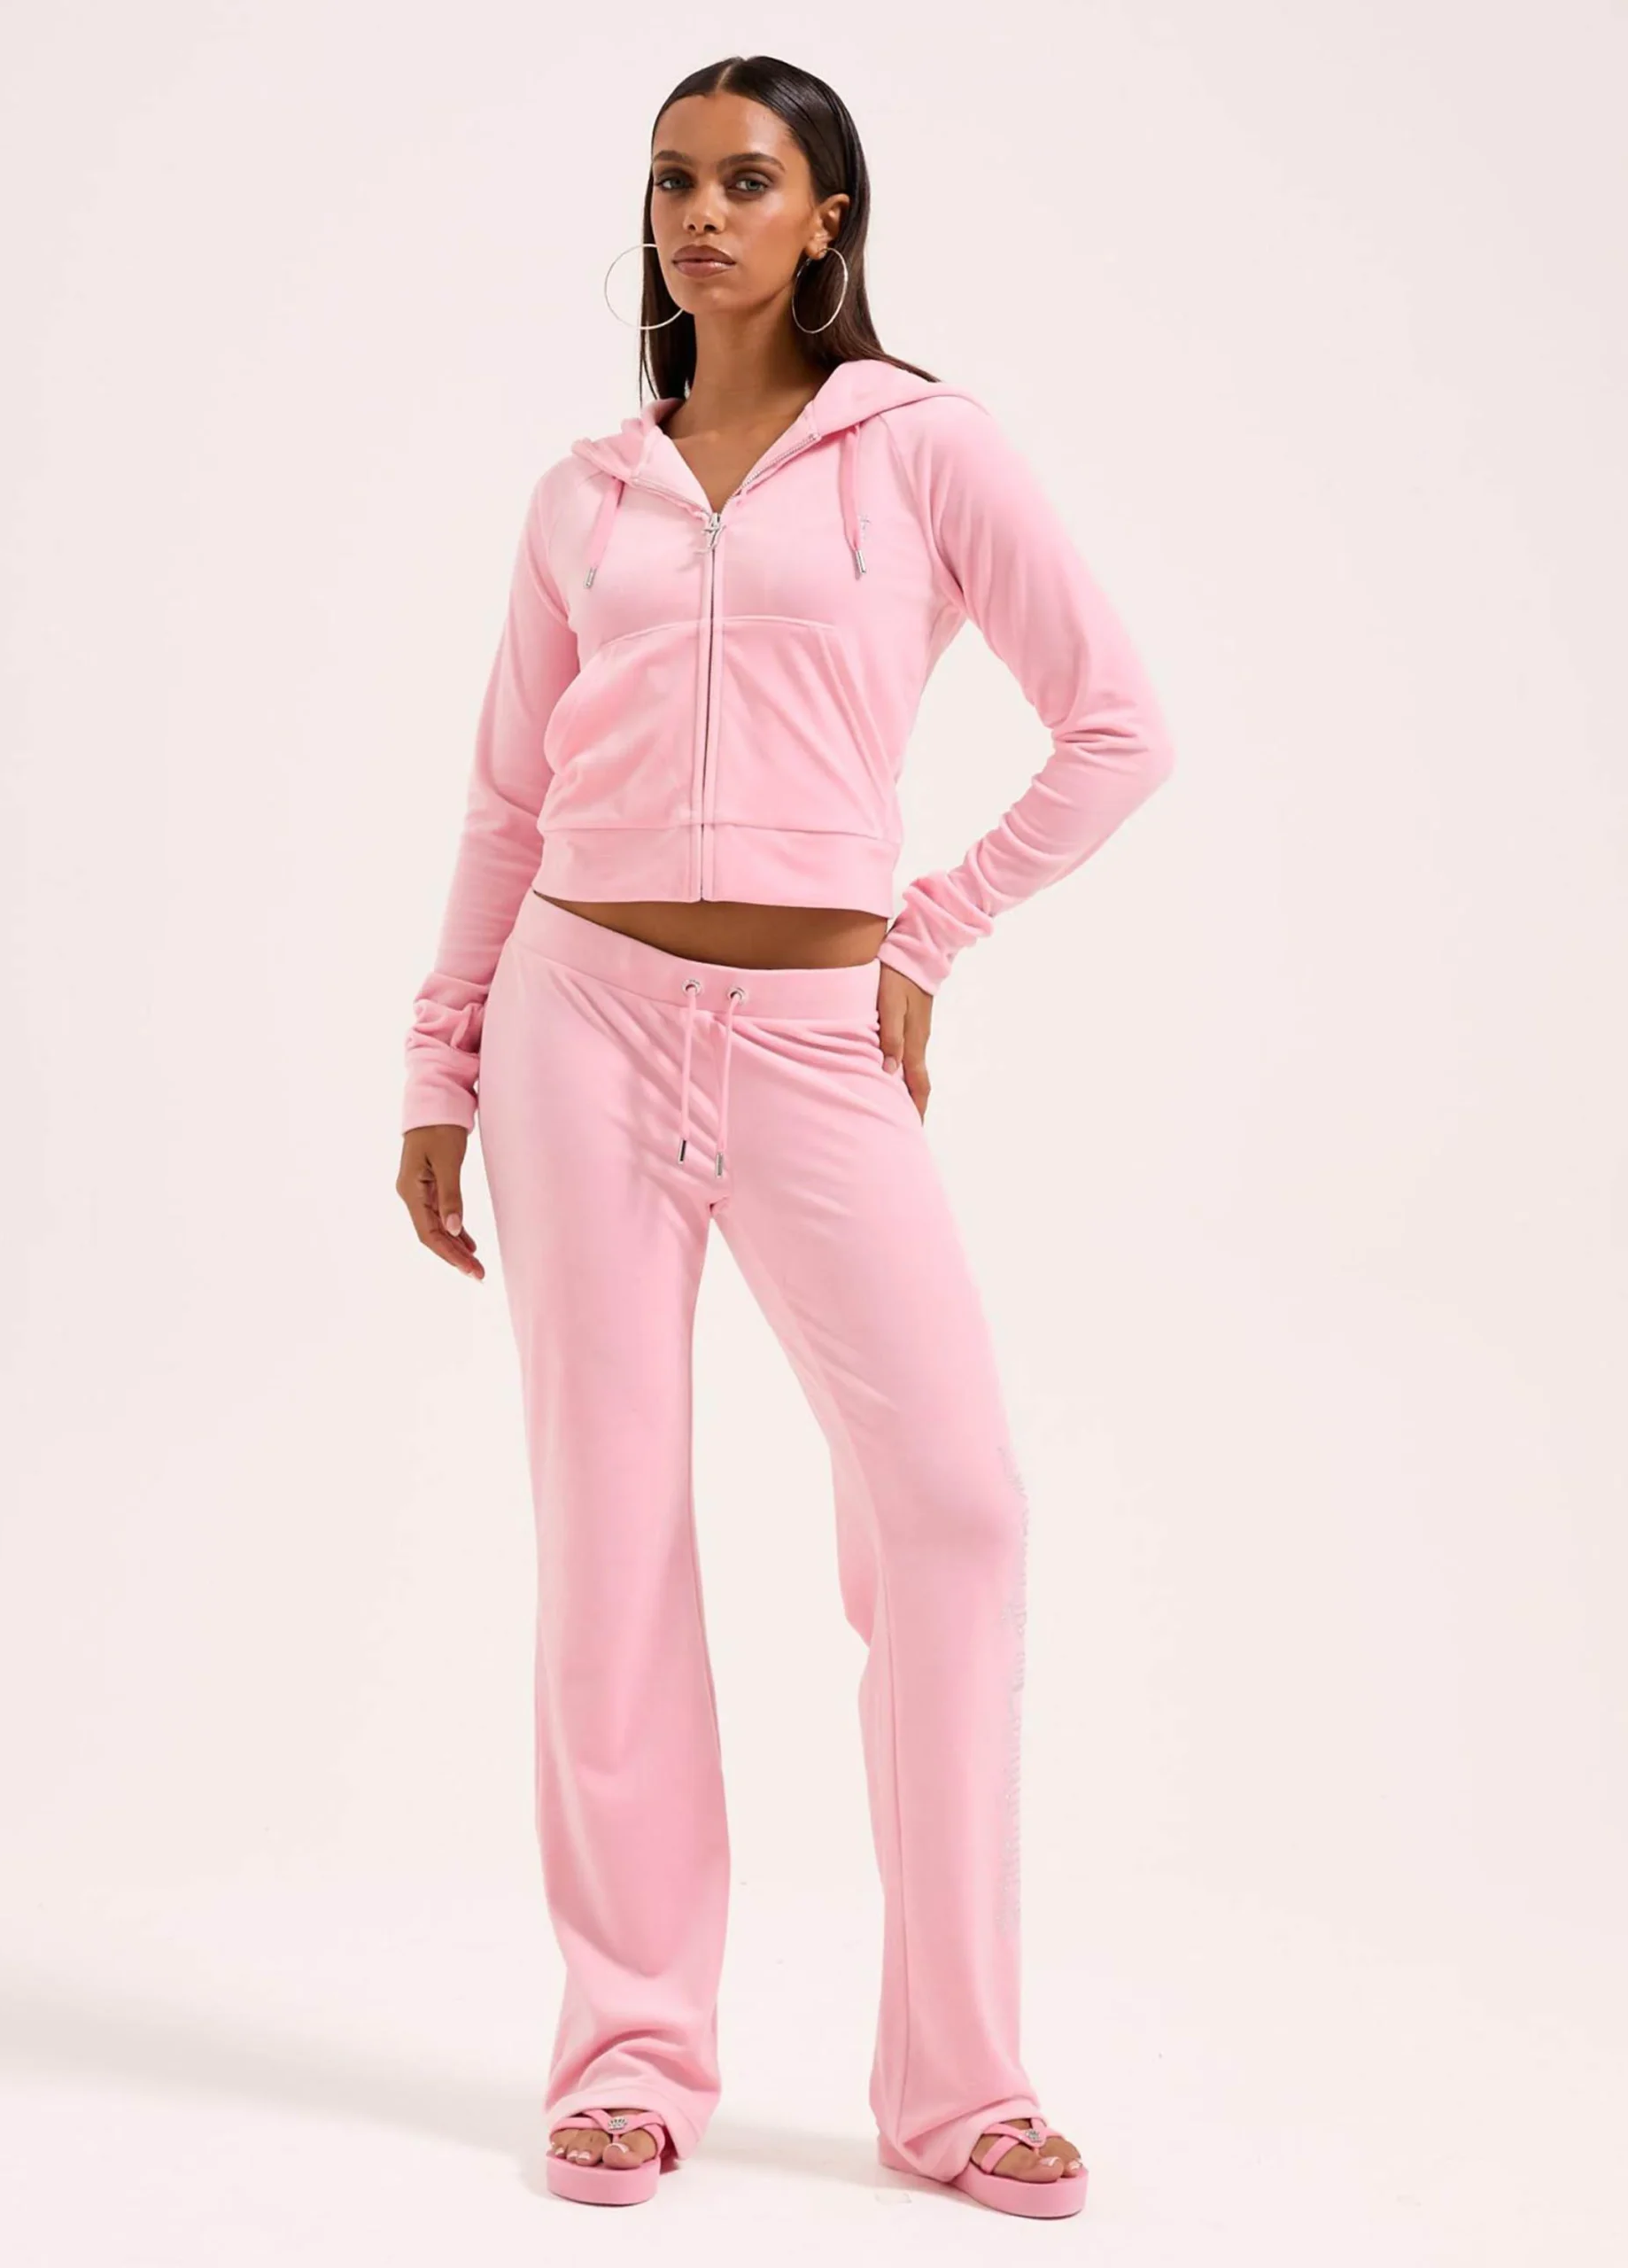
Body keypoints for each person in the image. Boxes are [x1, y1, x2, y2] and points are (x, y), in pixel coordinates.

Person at [394, 54, 1174, 2219]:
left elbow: (1117, 724)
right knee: (612, 1531)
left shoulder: (924, 448)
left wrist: (933, 925)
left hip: (818, 1037)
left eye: (747, 179)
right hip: (577, 1022)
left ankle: (960, 2080)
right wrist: (441, 1056)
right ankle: (630, 2049)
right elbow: (505, 798)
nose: (701, 213)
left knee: (953, 1509)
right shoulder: (585, 493)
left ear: (828, 213)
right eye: (673, 180)